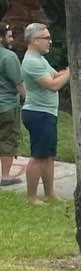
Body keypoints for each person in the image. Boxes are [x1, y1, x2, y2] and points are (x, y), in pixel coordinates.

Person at [21, 23, 70, 205]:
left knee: (48, 155)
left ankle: (50, 193)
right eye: (46, 38)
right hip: (38, 113)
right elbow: (53, 85)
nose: (50, 41)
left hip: (47, 113)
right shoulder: (31, 62)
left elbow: (55, 76)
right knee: (38, 157)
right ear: (34, 41)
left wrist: (66, 72)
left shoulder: (39, 59)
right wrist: (72, 70)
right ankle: (32, 197)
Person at [0, 24, 25, 186]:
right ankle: (6, 176)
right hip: (7, 105)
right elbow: (19, 84)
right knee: (8, 140)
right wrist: (29, 100)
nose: (11, 39)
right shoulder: (8, 57)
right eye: (8, 36)